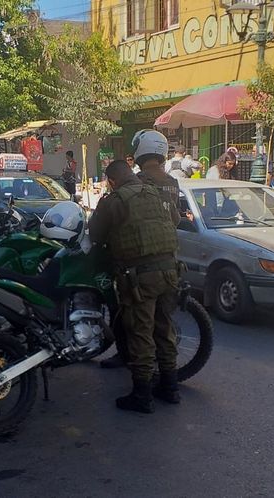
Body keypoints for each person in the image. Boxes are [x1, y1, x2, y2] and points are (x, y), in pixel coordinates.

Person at [88, 158, 181, 414]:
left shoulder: (114, 201)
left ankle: (142, 395)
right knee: (164, 329)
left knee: (141, 333)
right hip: (170, 272)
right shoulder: (156, 192)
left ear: (112, 181)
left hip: (141, 277)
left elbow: (95, 234)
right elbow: (175, 220)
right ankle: (170, 388)